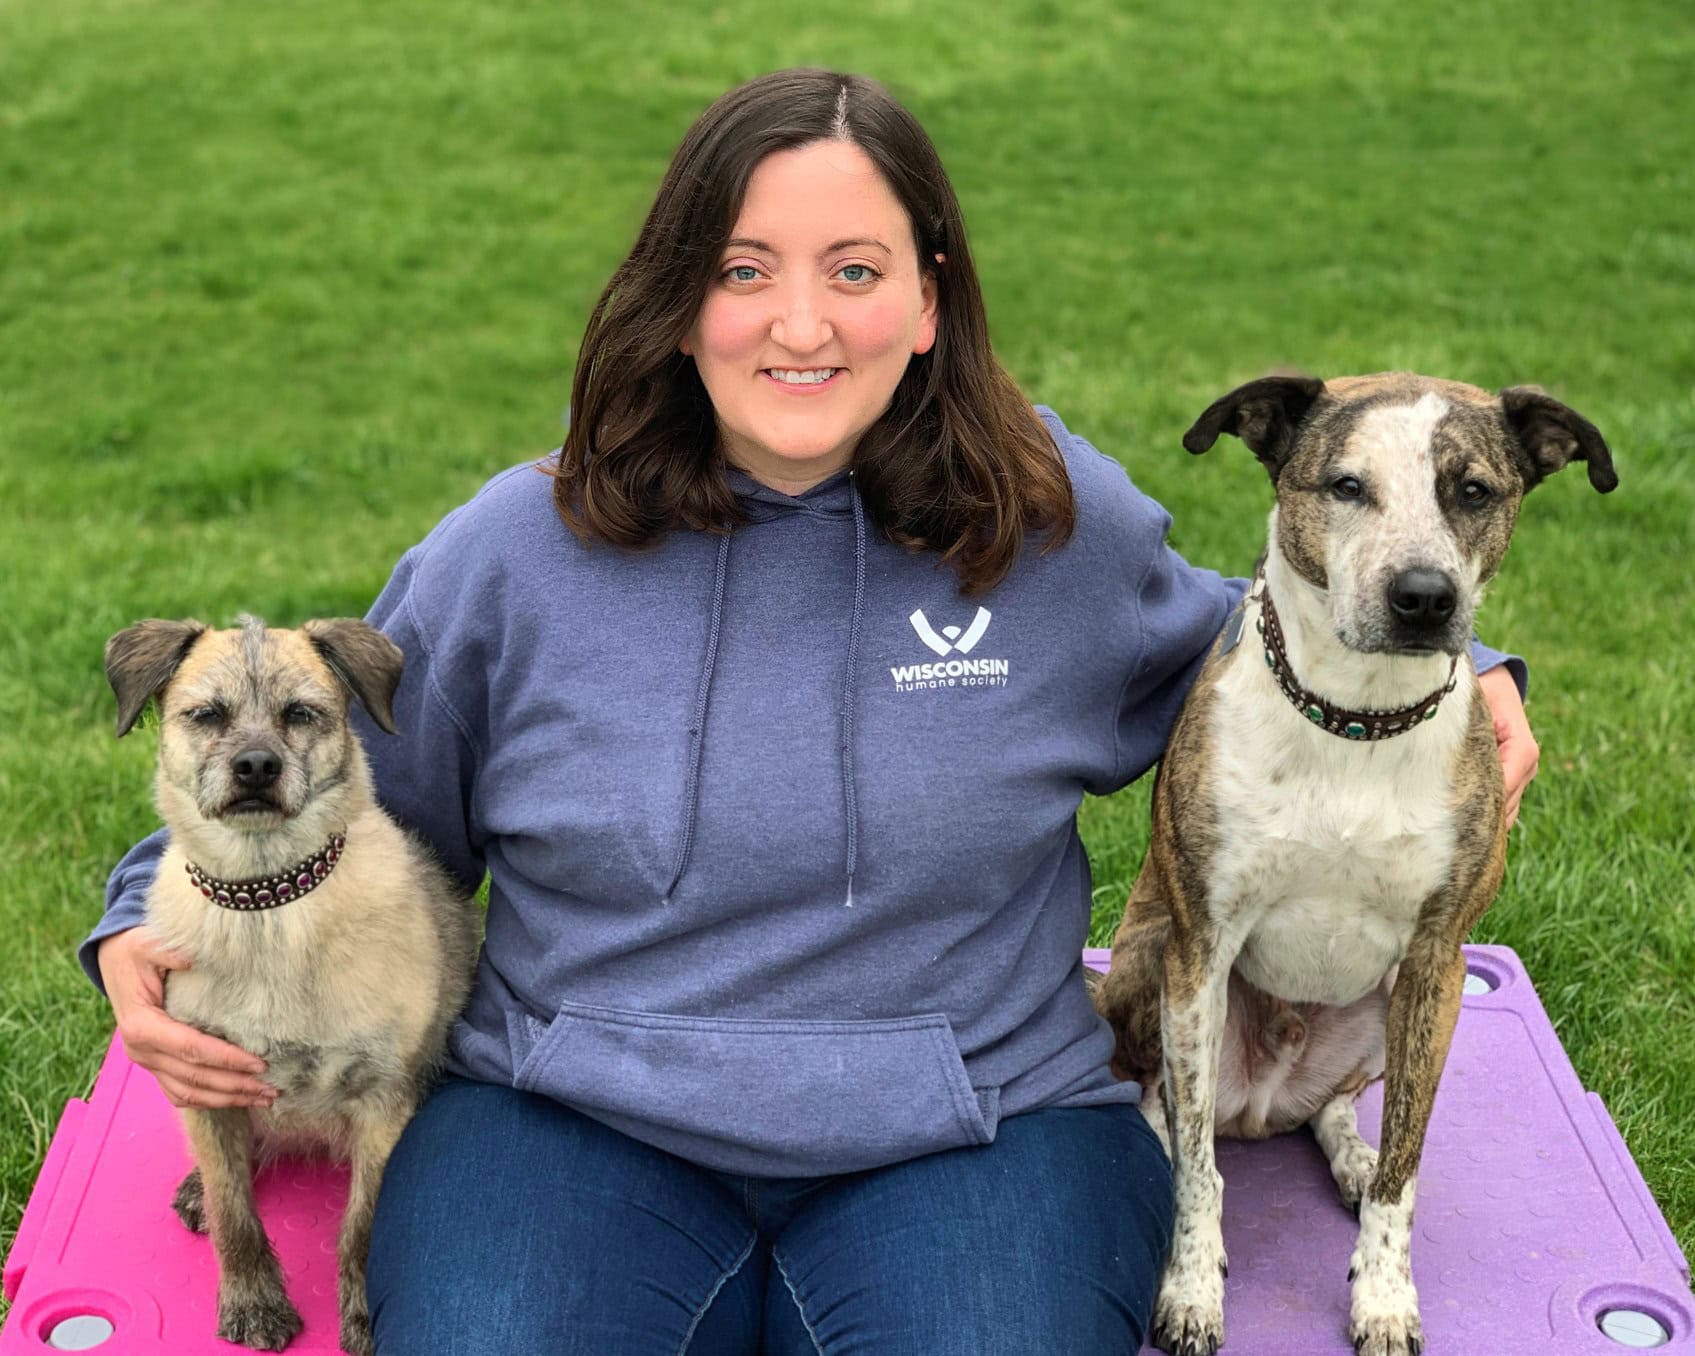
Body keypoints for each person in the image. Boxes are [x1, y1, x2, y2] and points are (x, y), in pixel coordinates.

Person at [82, 68, 1537, 1355]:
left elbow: (1262, 627)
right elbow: (337, 781)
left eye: (855, 270)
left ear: (928, 298)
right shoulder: (513, 552)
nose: (798, 323)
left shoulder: (1051, 525)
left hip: (978, 1128)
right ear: (675, 297)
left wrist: (1466, 673)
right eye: (744, 268)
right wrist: (147, 916)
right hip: (570, 1119)